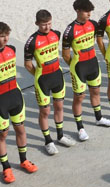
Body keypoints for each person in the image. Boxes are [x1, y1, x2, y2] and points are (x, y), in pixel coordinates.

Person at [24, 10, 76, 156]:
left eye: (49, 23)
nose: (47, 27)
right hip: (43, 79)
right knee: (45, 111)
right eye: (43, 25)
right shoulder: (31, 42)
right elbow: (28, 64)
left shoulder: (56, 34)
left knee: (59, 106)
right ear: (37, 24)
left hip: (57, 75)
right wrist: (39, 75)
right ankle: (48, 141)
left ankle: (60, 136)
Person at [62, 0, 110, 142]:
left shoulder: (94, 24)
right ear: (77, 11)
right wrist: (74, 66)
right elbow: (66, 55)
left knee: (96, 91)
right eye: (86, 11)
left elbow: (99, 40)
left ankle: (99, 118)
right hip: (79, 67)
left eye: (90, 11)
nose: (89, 14)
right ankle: (80, 128)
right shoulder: (69, 31)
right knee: (79, 97)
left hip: (93, 63)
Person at [0, 21, 38, 183]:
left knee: (20, 129)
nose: (5, 39)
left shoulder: (12, 49)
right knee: (2, 134)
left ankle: (24, 160)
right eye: (2, 36)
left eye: (7, 35)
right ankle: (6, 168)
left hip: (16, 96)